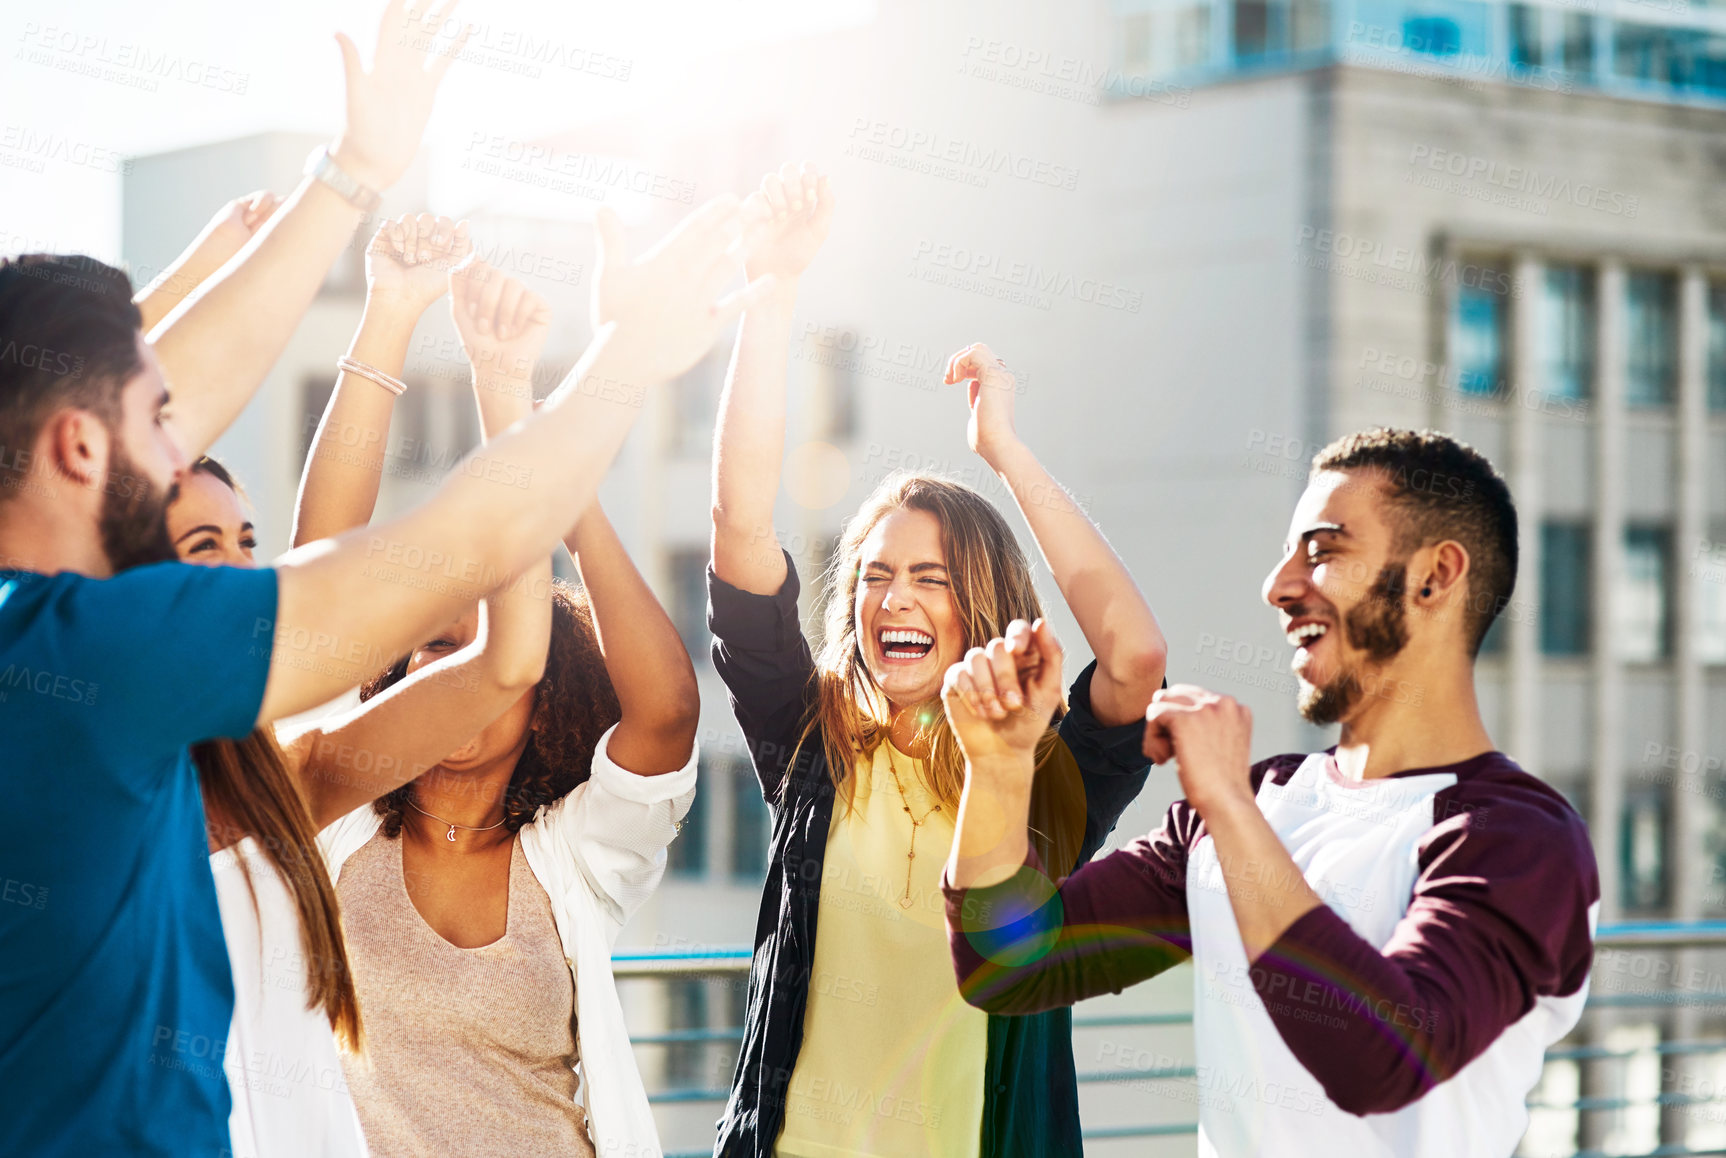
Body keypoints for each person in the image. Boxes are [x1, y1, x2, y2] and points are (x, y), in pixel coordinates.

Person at [0, 3, 767, 1151]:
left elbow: (114, 402)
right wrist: (631, 359)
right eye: (164, 425)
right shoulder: (87, 656)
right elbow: (456, 542)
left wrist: (352, 174)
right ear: (78, 450)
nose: (184, 447)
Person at [942, 429, 1600, 1158]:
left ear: (1434, 576)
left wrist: (1228, 806)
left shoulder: (1521, 841)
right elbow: (1009, 966)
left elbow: (1383, 1060)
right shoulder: (1259, 802)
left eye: (1322, 551)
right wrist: (998, 766)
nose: (1279, 586)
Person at [708, 164, 1169, 1158]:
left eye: (931, 577)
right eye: (875, 576)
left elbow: (1133, 651)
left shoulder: (1038, 774)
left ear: (981, 607)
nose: (895, 600)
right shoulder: (813, 737)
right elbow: (739, 529)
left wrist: (1002, 450)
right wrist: (773, 294)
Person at [161, 213, 545, 1158]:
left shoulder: (289, 775)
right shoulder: (82, 781)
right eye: (200, 547)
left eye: (246, 547)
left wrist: (496, 387)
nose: (244, 572)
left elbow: (509, 661)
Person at [306, 255, 701, 1158]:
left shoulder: (577, 857)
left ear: (546, 698)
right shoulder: (334, 823)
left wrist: (532, 437)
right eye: (438, 648)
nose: (461, 676)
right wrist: (392, 312)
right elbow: (318, 578)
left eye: (488, 653)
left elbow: (669, 711)